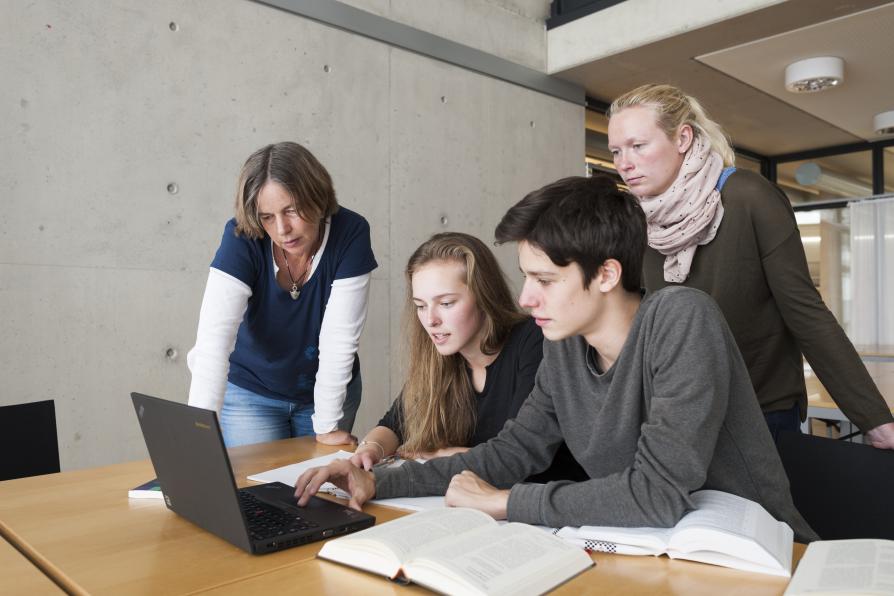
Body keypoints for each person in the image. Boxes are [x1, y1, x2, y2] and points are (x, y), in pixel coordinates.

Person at [294, 176, 817, 543]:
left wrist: (503, 502)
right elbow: (509, 454)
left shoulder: (681, 319)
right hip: (652, 551)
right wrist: (375, 481)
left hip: (757, 555)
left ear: (607, 275)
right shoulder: (565, 346)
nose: (525, 299)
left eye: (544, 280)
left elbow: (658, 493)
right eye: (526, 278)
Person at [606, 83, 894, 447]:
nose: (623, 163)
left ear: (682, 138)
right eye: (616, 150)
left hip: (760, 413)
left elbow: (805, 313)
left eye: (638, 145)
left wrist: (873, 419)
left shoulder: (749, 196)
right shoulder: (641, 220)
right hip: (678, 415)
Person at [350, 232, 584, 482]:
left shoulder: (535, 341)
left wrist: (445, 455)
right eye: (421, 305)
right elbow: (395, 423)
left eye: (447, 303)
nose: (431, 320)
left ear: (484, 297)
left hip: (548, 506)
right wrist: (371, 448)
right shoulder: (441, 356)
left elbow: (516, 456)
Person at [186, 142, 377, 447]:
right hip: (251, 392)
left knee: (319, 492)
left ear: (317, 196)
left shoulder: (350, 233)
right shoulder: (242, 236)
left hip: (326, 392)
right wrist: (197, 434)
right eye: (267, 217)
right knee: (257, 492)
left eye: (291, 210)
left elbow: (339, 339)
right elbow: (213, 342)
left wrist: (327, 425)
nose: (282, 229)